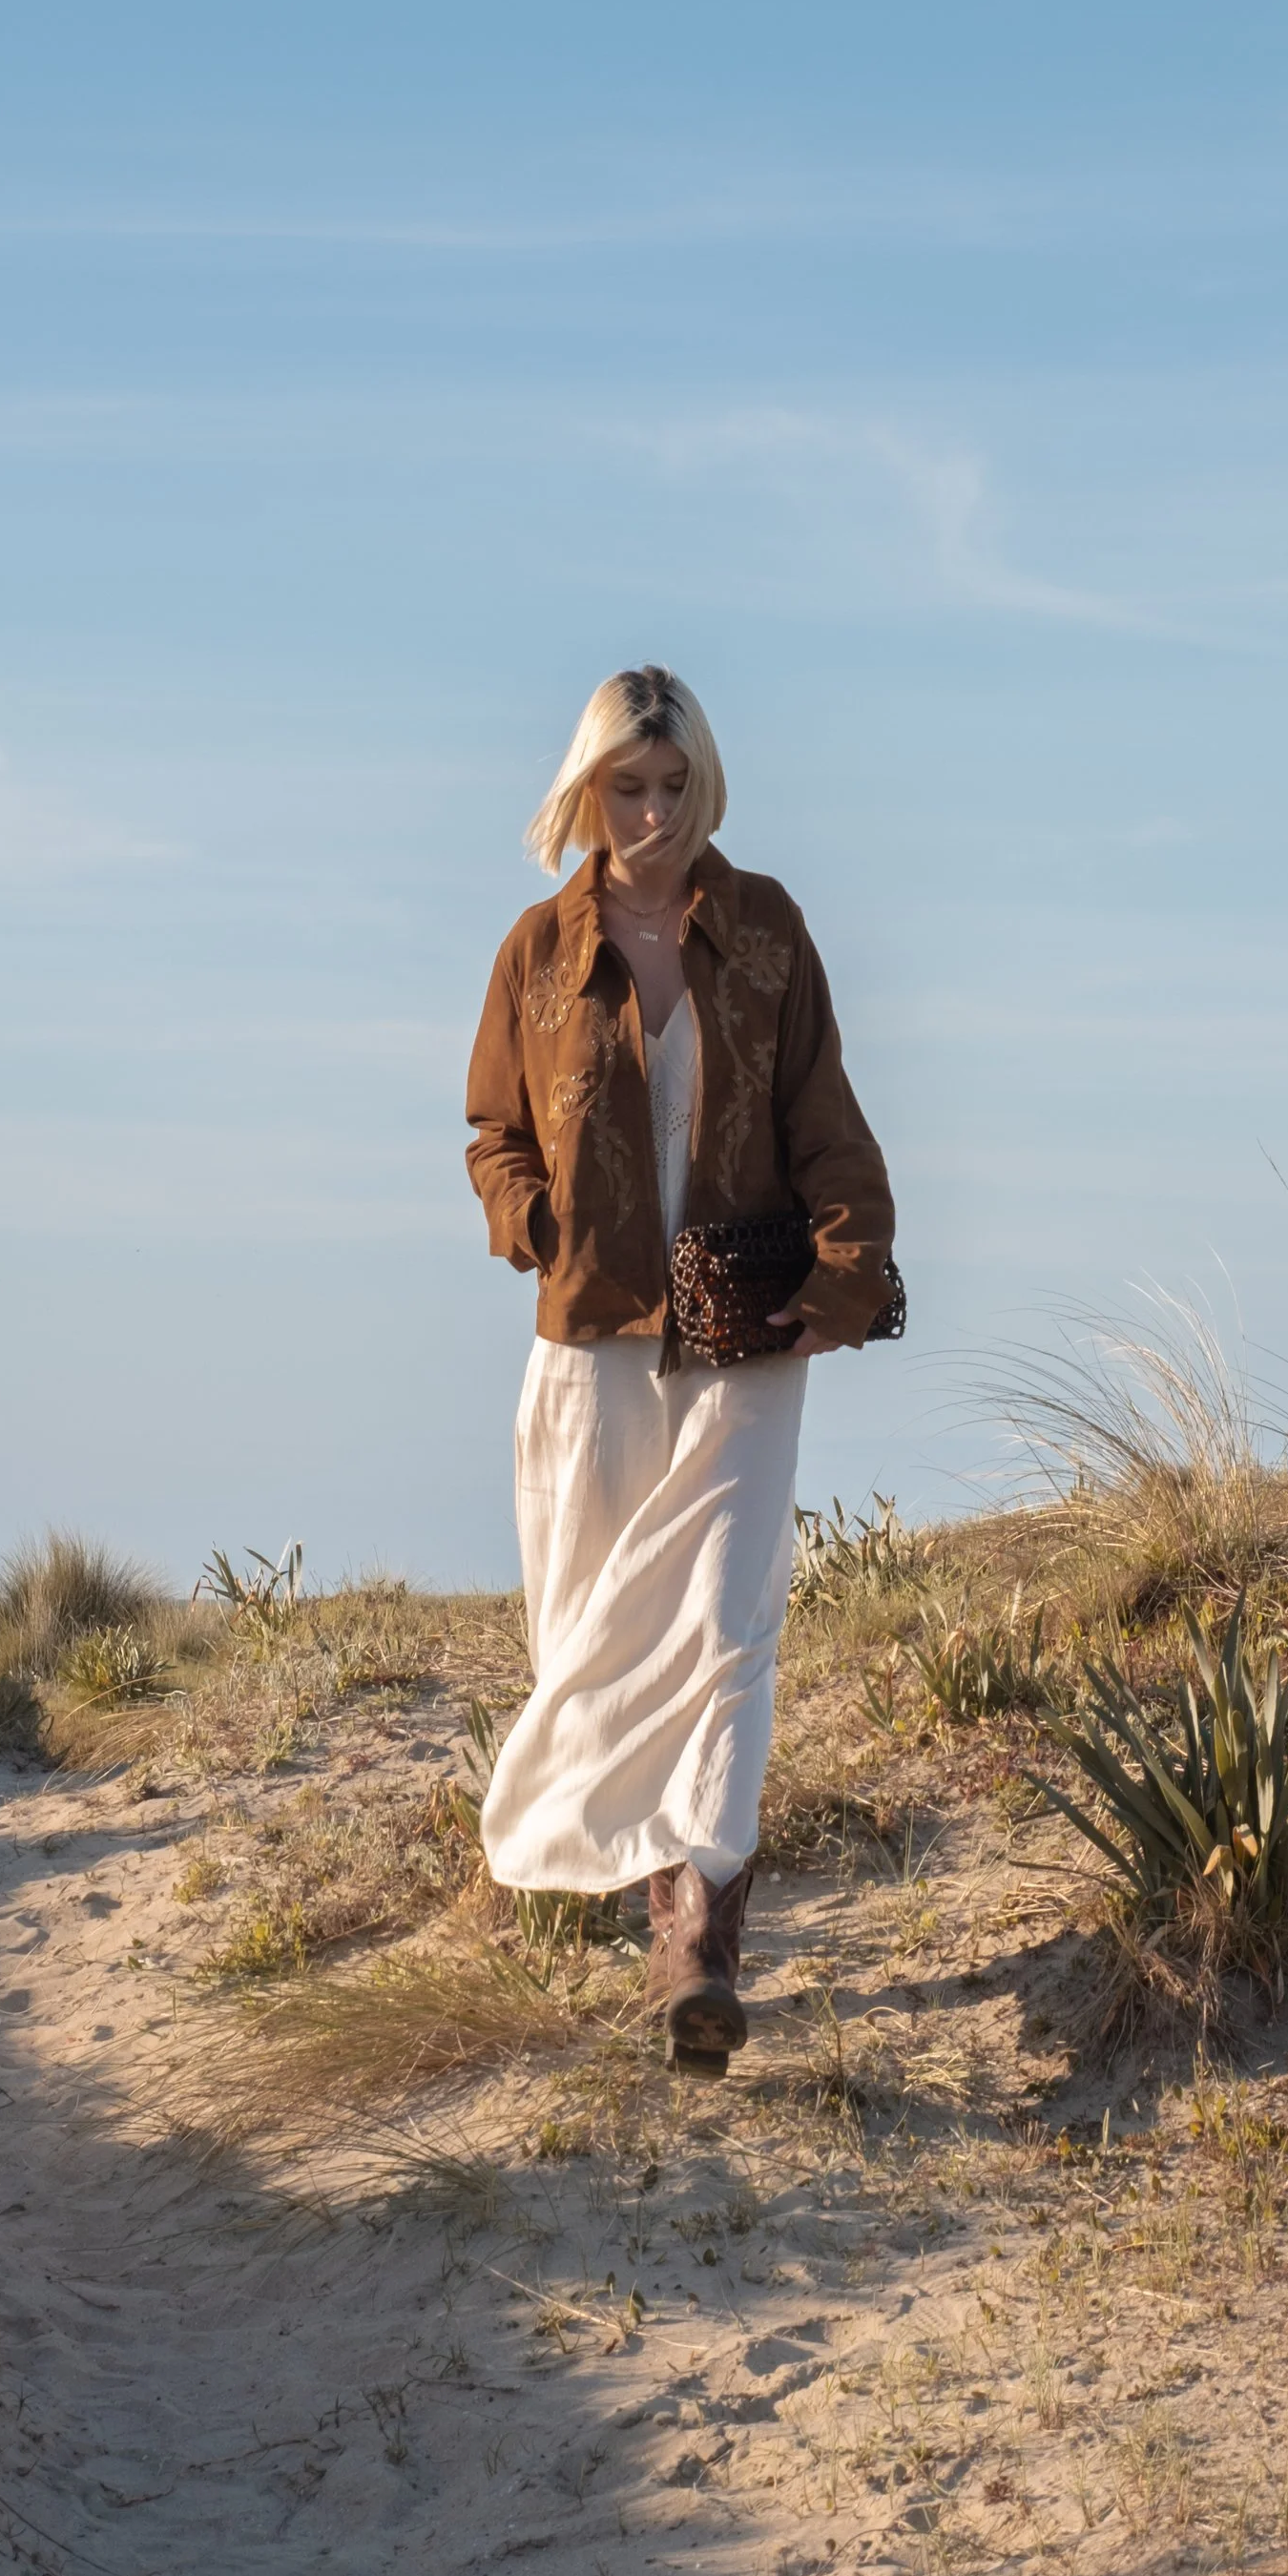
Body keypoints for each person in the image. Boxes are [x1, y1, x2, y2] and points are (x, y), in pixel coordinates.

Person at [464, 666, 896, 2077]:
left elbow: (822, 1109)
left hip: (743, 1329)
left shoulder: (766, 929)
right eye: (626, 790)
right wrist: (531, 1222)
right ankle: (642, 1884)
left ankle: (697, 1935)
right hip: (589, 1333)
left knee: (725, 1621)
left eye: (674, 789)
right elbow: (491, 1131)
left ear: (704, 787)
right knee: (588, 1628)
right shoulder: (538, 950)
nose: (651, 816)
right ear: (586, 792)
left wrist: (844, 1270)